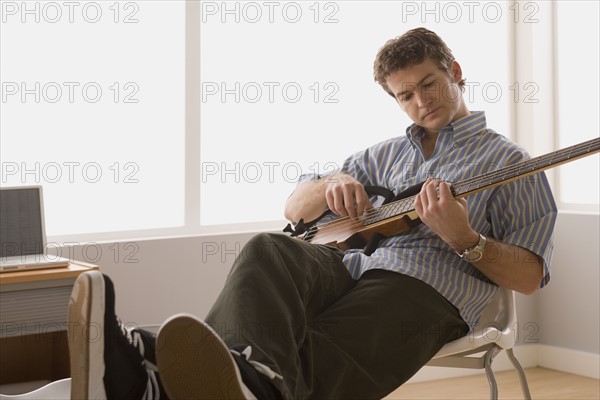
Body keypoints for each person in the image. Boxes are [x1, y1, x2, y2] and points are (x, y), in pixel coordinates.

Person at [68, 27, 557, 400]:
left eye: (429, 84)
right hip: (344, 268)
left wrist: (464, 239)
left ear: (455, 69)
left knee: (317, 347)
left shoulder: (511, 163)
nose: (421, 101)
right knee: (268, 249)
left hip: (426, 289)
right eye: (405, 95)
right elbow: (294, 208)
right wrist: (331, 183)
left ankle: (145, 364)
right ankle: (249, 381)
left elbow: (531, 275)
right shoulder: (379, 155)